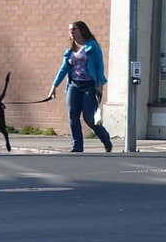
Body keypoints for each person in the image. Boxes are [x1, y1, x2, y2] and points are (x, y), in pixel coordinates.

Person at [44, 20, 114, 153]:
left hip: (89, 85)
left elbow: (100, 66)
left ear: (81, 30)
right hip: (74, 85)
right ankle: (77, 146)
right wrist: (54, 86)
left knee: (89, 118)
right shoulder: (70, 49)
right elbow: (63, 69)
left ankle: (105, 139)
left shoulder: (92, 46)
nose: (71, 32)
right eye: (70, 30)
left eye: (74, 29)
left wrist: (99, 84)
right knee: (72, 116)